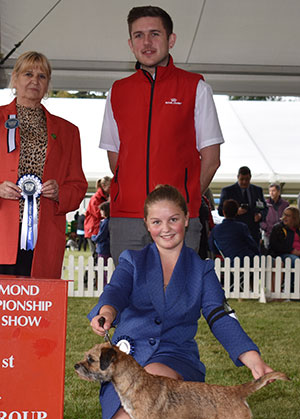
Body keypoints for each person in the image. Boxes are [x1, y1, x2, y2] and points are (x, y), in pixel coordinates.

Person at [88, 185, 273, 419]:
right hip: (129, 362)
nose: (166, 228)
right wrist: (107, 310)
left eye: (173, 219)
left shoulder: (202, 270)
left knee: (154, 374)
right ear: (147, 225)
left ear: (187, 219)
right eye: (157, 221)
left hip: (175, 358)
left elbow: (219, 315)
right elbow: (115, 291)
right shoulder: (132, 260)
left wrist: (251, 356)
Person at [100, 5, 224, 264]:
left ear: (171, 39)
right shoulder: (117, 91)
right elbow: (115, 159)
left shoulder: (197, 88)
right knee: (129, 300)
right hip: (126, 217)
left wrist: (181, 202)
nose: (146, 42)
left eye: (155, 33)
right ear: (130, 43)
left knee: (178, 300)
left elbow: (211, 159)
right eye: (138, 35)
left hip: (176, 218)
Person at [0, 51, 87, 278]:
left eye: (42, 76)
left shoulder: (68, 132)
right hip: (2, 231)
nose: (34, 80)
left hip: (44, 236)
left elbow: (77, 187)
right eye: (28, 73)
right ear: (15, 78)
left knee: (37, 308)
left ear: (48, 84)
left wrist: (60, 192)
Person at [218, 166, 268, 250]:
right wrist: (235, 211)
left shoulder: (257, 190)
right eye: (242, 179)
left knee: (254, 259)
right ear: (238, 177)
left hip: (253, 233)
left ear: (250, 178)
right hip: (234, 232)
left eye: (247, 179)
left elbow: (265, 208)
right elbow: (220, 210)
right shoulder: (227, 191)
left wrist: (260, 215)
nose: (244, 182)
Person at [209, 199, 260, 263]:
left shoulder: (216, 229)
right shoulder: (242, 227)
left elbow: (212, 247)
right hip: (246, 261)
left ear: (223, 212)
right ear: (236, 212)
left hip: (228, 261)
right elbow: (252, 244)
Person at [84, 176, 111, 254]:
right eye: (110, 187)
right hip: (94, 230)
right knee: (96, 254)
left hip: (100, 230)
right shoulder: (96, 199)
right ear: (103, 186)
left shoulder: (104, 198)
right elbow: (99, 214)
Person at [260, 183, 289, 250]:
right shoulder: (265, 204)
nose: (271, 193)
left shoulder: (285, 204)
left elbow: (288, 218)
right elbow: (261, 218)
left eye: (273, 191)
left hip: (282, 234)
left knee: (281, 252)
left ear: (279, 192)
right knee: (269, 253)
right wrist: (266, 227)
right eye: (270, 191)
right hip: (268, 234)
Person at [92, 201, 111, 286]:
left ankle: (104, 285)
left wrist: (93, 237)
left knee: (103, 269)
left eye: (102, 210)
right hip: (109, 248)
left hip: (103, 248)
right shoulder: (111, 221)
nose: (100, 212)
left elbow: (101, 237)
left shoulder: (105, 222)